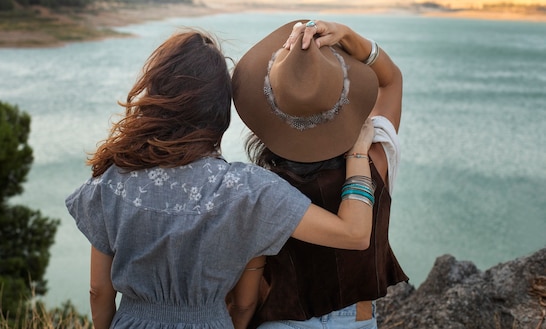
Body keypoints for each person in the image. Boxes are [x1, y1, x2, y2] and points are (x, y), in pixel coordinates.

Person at [65, 28, 379, 329]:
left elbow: (99, 291)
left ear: (155, 97)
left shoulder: (113, 183)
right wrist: (357, 153)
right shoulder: (248, 190)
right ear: (219, 109)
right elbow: (353, 233)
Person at [231, 20, 408, 329]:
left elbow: (249, 293)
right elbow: (392, 80)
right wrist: (350, 36)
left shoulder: (263, 191)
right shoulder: (375, 158)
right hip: (356, 321)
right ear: (344, 98)